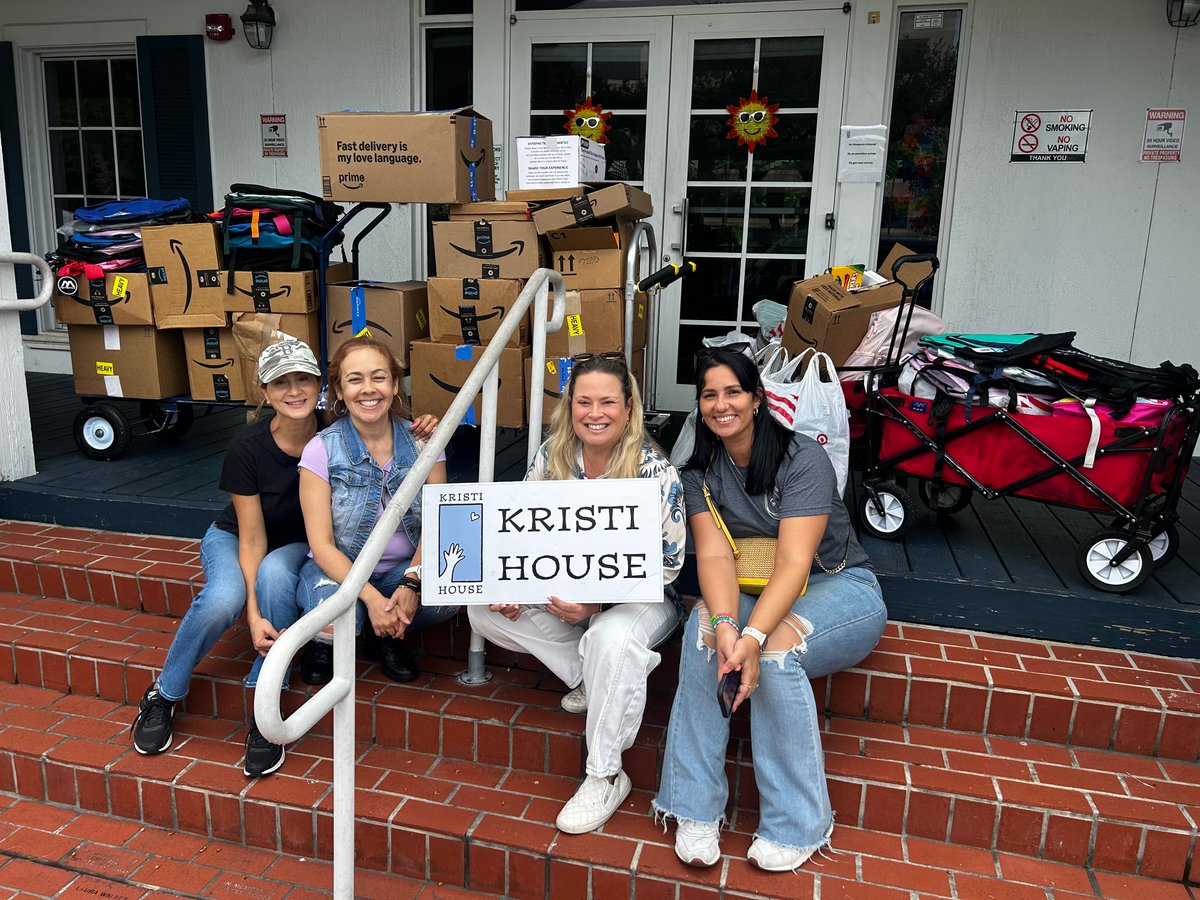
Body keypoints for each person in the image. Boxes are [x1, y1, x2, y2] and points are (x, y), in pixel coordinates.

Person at [652, 347, 886, 872]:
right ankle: (693, 807)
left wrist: (752, 640)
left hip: (835, 586)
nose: (721, 405)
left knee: (776, 655)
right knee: (702, 634)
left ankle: (798, 824)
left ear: (757, 398)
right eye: (709, 395)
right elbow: (713, 555)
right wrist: (729, 626)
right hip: (752, 588)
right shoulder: (698, 471)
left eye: (732, 392)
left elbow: (795, 563)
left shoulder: (802, 456)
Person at [469, 351, 686, 835]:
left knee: (610, 638)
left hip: (644, 599)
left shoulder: (655, 470)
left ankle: (605, 774)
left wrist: (596, 603)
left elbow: (668, 566)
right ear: (569, 406)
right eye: (584, 401)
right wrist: (514, 587)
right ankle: (592, 678)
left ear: (629, 408)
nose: (595, 413)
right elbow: (524, 532)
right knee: (482, 610)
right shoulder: (552, 456)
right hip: (565, 588)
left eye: (607, 402)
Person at [131, 340, 322, 777]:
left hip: (297, 542)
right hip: (236, 535)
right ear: (266, 392)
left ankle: (263, 703)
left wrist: (423, 424)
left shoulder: (335, 432)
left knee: (276, 574)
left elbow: (386, 423)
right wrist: (252, 613)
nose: (294, 391)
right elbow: (252, 538)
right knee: (223, 600)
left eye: (303, 379)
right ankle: (164, 693)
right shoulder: (247, 447)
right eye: (281, 383)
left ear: (318, 384)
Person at [296, 336, 457, 685]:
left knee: (449, 596)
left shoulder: (424, 442)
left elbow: (438, 523)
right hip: (340, 569)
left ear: (396, 384)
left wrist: (412, 582)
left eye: (379, 377)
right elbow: (322, 546)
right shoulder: (320, 450)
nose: (368, 389)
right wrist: (370, 598)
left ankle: (382, 634)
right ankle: (332, 638)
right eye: (355, 379)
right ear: (338, 391)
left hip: (400, 568)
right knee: (334, 607)